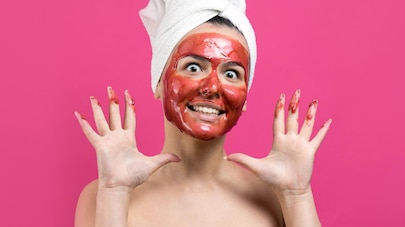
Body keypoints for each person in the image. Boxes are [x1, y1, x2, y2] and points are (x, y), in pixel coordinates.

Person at [73, 0, 331, 226]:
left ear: (245, 95)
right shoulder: (103, 195)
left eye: (231, 74)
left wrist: (297, 194)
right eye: (194, 67)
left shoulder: (277, 198)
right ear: (158, 81)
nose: (212, 87)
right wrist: (115, 191)